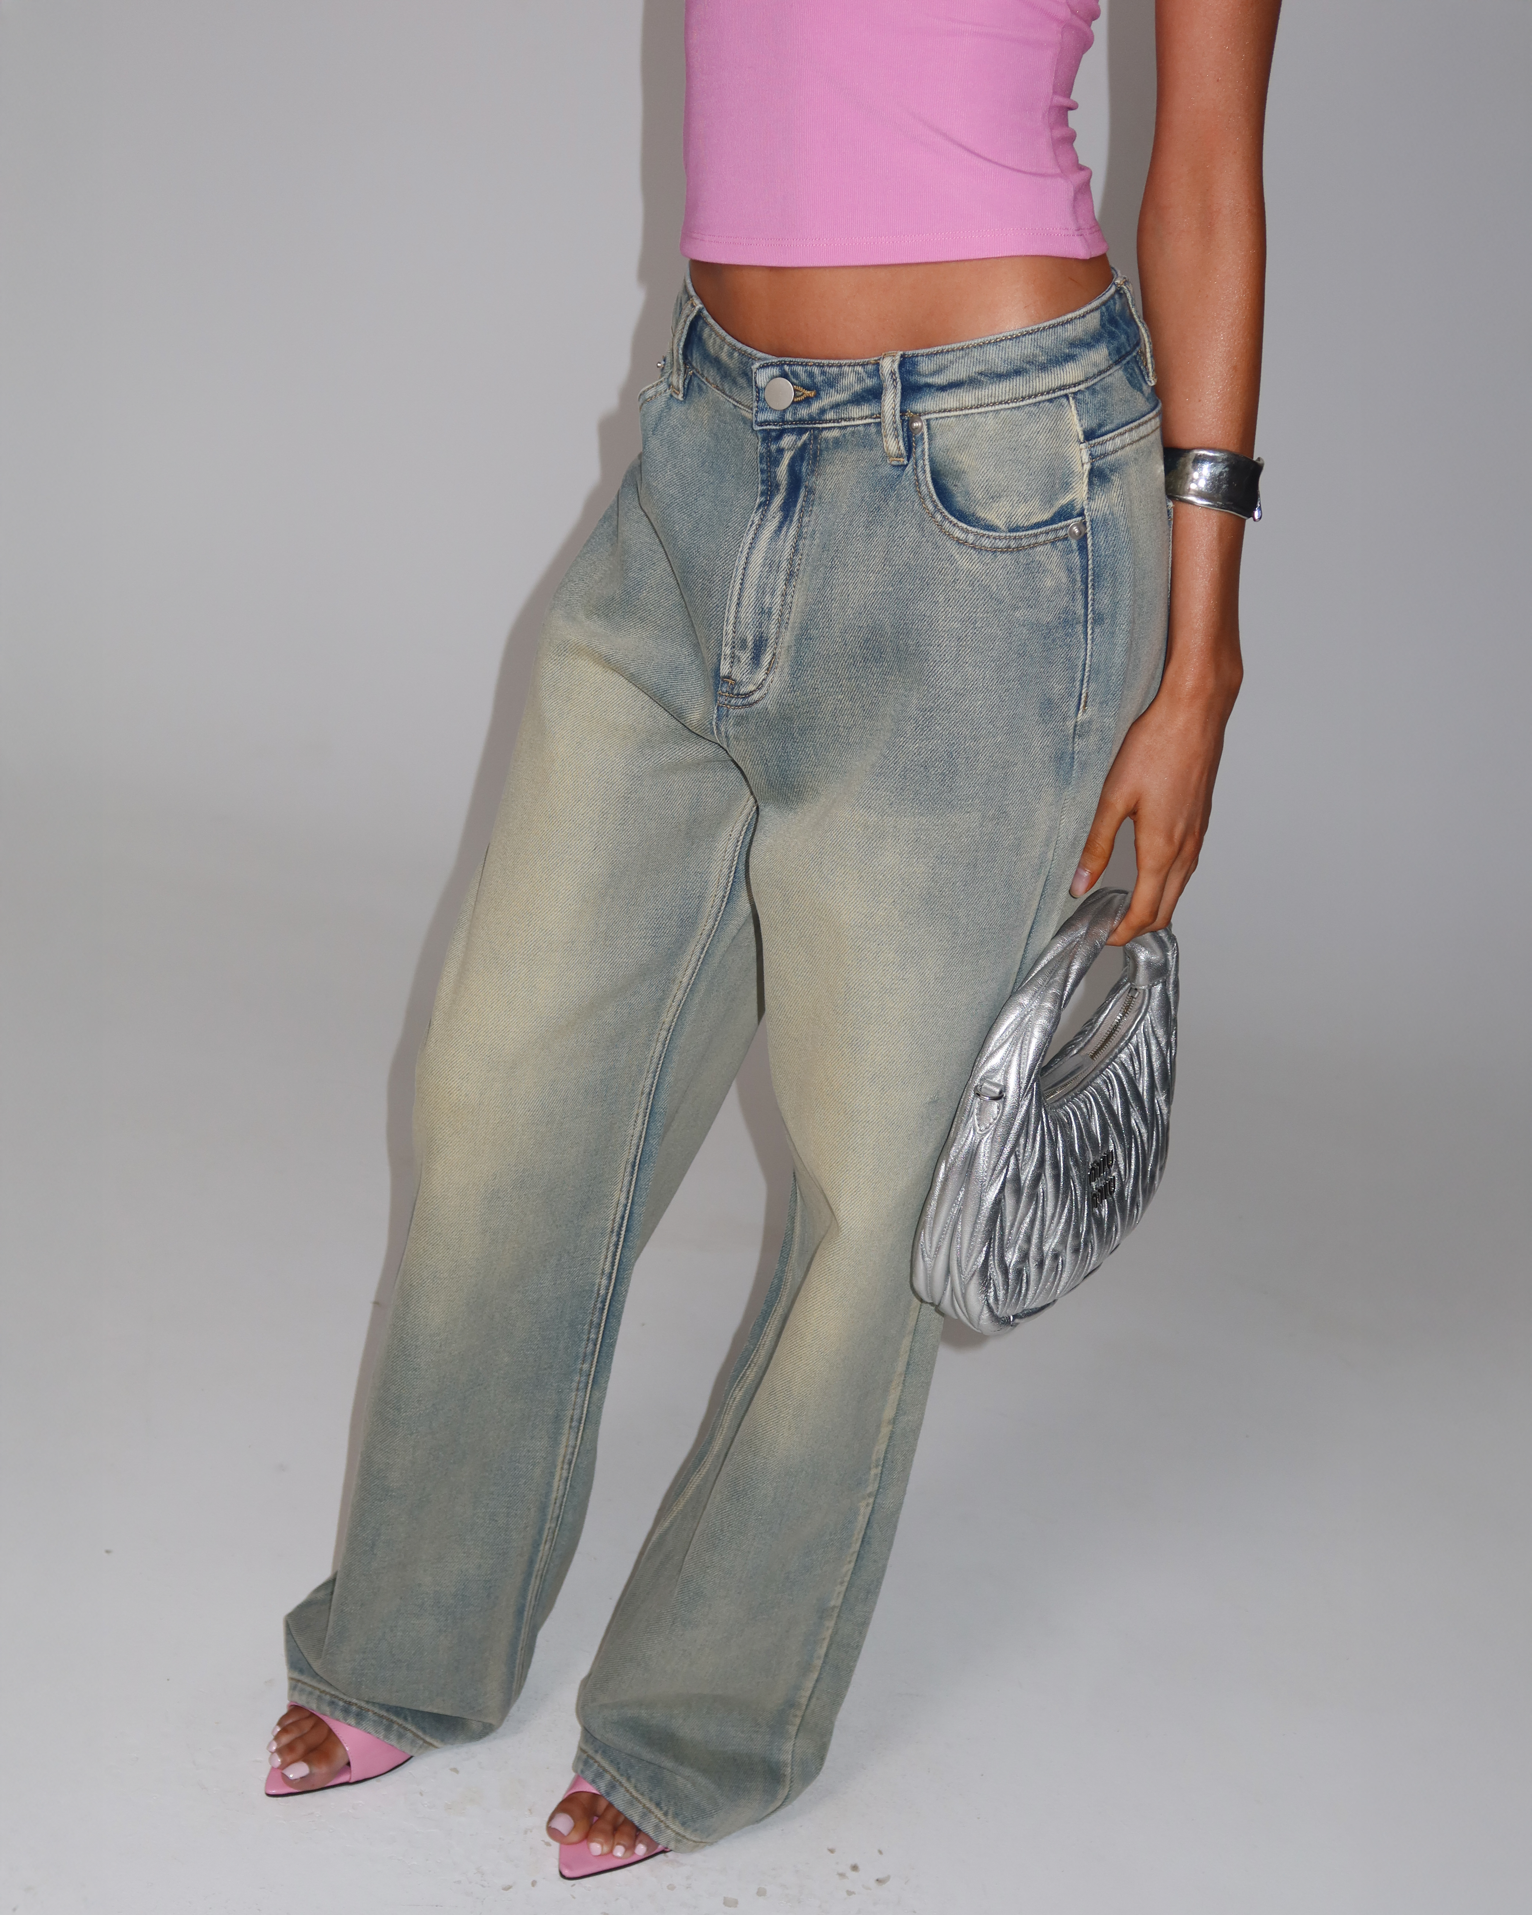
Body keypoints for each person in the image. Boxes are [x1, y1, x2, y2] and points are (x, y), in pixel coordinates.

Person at [264, 0, 1281, 1873]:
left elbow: (1207, 173)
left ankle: (705, 1711)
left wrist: (1200, 659)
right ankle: (414, 1629)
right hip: (709, 444)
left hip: (997, 496)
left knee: (870, 1189)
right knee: (505, 1079)